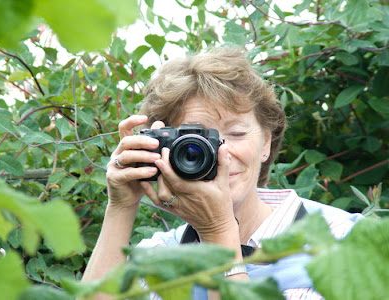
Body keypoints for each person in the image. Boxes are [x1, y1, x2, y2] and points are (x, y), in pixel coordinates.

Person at [82, 47, 362, 299]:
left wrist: (217, 230)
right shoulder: (160, 252)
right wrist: (121, 205)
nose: (222, 154)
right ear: (160, 148)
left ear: (266, 142)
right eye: (195, 142)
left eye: (237, 133)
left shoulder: (343, 239)